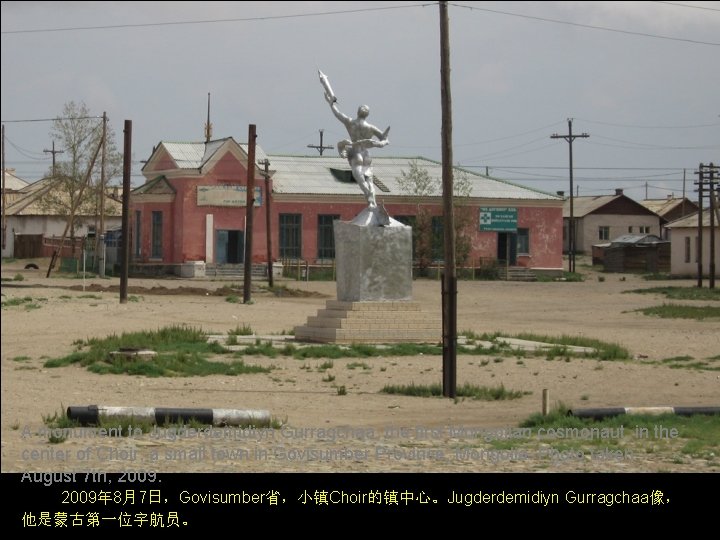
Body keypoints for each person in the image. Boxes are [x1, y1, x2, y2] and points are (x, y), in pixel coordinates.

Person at [324, 90, 390, 208]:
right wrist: (381, 143)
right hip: (366, 154)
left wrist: (331, 103)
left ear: (357, 112)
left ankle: (368, 195)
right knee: (369, 179)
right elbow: (384, 139)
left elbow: (337, 113)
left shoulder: (350, 122)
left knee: (359, 176)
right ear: (367, 115)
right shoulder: (371, 128)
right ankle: (372, 201)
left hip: (355, 152)